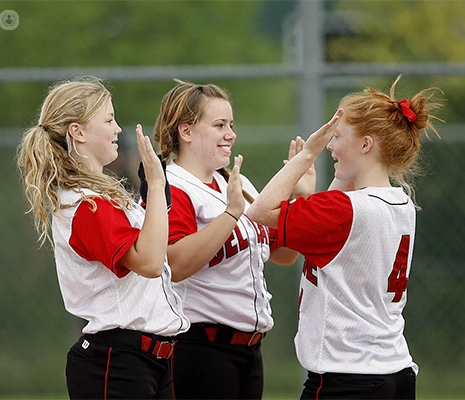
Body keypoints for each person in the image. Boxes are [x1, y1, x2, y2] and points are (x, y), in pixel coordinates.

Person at [247, 76, 442, 399]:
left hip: (347, 379)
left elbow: (260, 211)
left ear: (366, 145)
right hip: (394, 371)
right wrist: (318, 189)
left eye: (336, 137)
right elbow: (338, 227)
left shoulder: (345, 210)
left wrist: (306, 155)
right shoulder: (401, 203)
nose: (331, 147)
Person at [16, 77, 190, 399]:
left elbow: (151, 252)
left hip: (145, 360)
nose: (117, 129)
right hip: (117, 363)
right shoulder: (87, 204)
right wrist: (154, 185)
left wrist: (154, 200)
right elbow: (150, 263)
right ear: (77, 132)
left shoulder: (100, 197)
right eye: (109, 119)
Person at [143, 80, 310, 400]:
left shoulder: (237, 183)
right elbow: (174, 264)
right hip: (199, 349)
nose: (230, 134)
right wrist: (231, 214)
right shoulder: (172, 186)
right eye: (219, 125)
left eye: (231, 125)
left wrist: (300, 198)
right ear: (186, 131)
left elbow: (284, 254)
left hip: (249, 350)